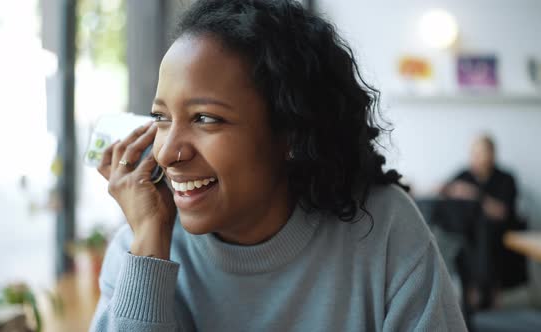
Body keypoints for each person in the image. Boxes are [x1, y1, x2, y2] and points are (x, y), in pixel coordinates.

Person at [90, 1, 466, 331]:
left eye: (205, 119)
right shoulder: (139, 249)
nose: (168, 152)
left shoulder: (383, 228)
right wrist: (150, 250)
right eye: (161, 117)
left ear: (291, 133)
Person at [442, 134, 523, 310]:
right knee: (465, 237)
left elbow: (502, 212)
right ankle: (477, 291)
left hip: (499, 231)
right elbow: (445, 190)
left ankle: (478, 290)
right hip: (470, 233)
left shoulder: (505, 178)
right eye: (473, 153)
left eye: (481, 153)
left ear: (492, 154)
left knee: (483, 232)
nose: (476, 158)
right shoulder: (464, 174)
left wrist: (475, 195)